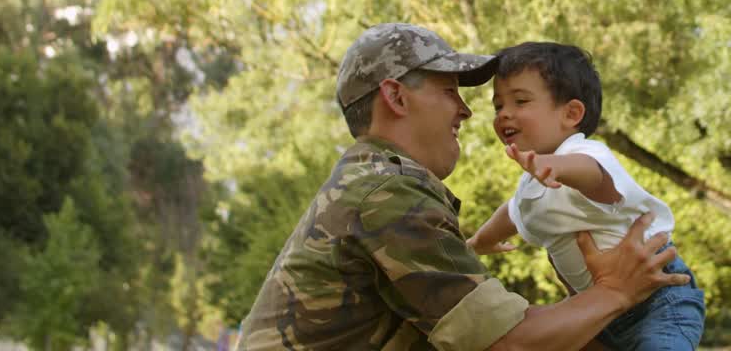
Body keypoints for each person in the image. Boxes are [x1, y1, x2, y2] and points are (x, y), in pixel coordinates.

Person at [237, 23, 690, 351]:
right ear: (396, 97)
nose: (467, 111)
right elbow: (511, 344)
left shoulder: (373, 183)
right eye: (450, 90)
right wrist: (615, 291)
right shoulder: (385, 194)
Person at [467, 42, 705, 350]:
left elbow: (594, 176)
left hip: (659, 302)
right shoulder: (533, 183)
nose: (504, 115)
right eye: (498, 106)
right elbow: (513, 213)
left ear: (571, 113)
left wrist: (555, 165)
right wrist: (479, 242)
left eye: (520, 101)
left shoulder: (584, 154)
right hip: (601, 310)